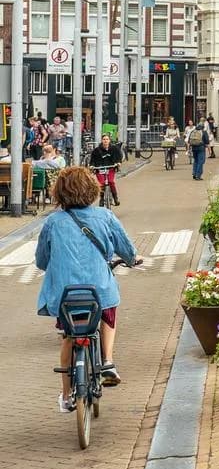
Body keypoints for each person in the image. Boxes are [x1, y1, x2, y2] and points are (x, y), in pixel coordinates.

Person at [35, 166, 140, 410]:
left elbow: (41, 260)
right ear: (92, 189)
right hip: (98, 291)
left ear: (59, 192)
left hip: (65, 296)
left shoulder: (52, 222)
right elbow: (126, 249)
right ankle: (108, 362)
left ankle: (65, 396)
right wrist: (133, 259)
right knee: (108, 311)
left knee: (69, 337)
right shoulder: (105, 216)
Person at [85, 134, 124, 204]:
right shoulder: (96, 150)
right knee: (101, 183)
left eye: (107, 139)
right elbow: (92, 160)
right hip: (100, 169)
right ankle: (102, 198)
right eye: (104, 139)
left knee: (111, 182)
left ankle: (115, 198)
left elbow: (119, 157)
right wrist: (92, 166)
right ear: (102, 141)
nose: (105, 141)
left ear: (109, 140)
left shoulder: (114, 149)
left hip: (111, 168)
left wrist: (118, 163)